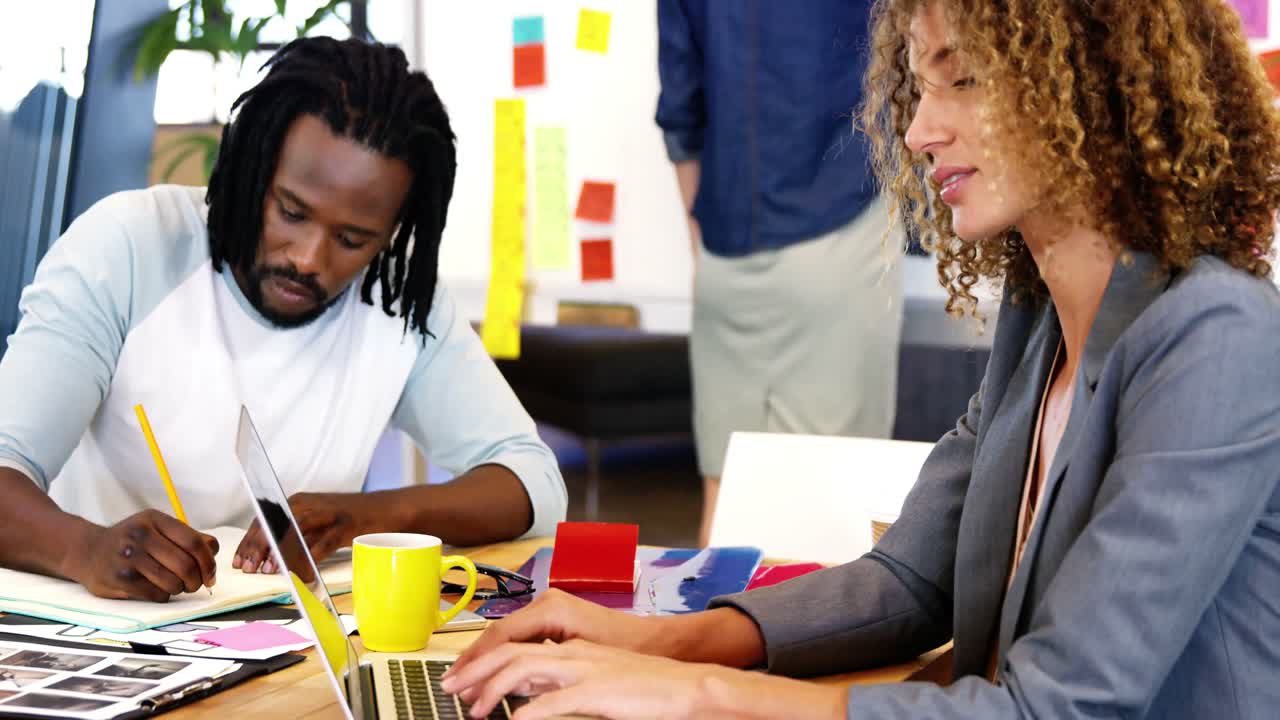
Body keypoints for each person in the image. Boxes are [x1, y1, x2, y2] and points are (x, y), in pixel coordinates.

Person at [441, 0, 1280, 717]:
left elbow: (1053, 707)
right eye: (919, 86)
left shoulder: (1217, 335)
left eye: (963, 79)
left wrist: (691, 692)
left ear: (1086, 85)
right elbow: (910, 581)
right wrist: (653, 642)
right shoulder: (1039, 323)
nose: (918, 129)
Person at [0, 37, 567, 603]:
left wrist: (364, 515)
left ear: (392, 233)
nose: (308, 258)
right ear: (252, 167)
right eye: (291, 212)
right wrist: (85, 549)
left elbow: (534, 483)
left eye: (353, 239)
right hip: (93, 643)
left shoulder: (396, 299)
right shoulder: (129, 247)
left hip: (287, 648)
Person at [656, 1, 904, 546]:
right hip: (841, 224)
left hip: (725, 245)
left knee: (724, 501)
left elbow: (680, 108)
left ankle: (702, 631)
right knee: (834, 512)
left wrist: (703, 248)